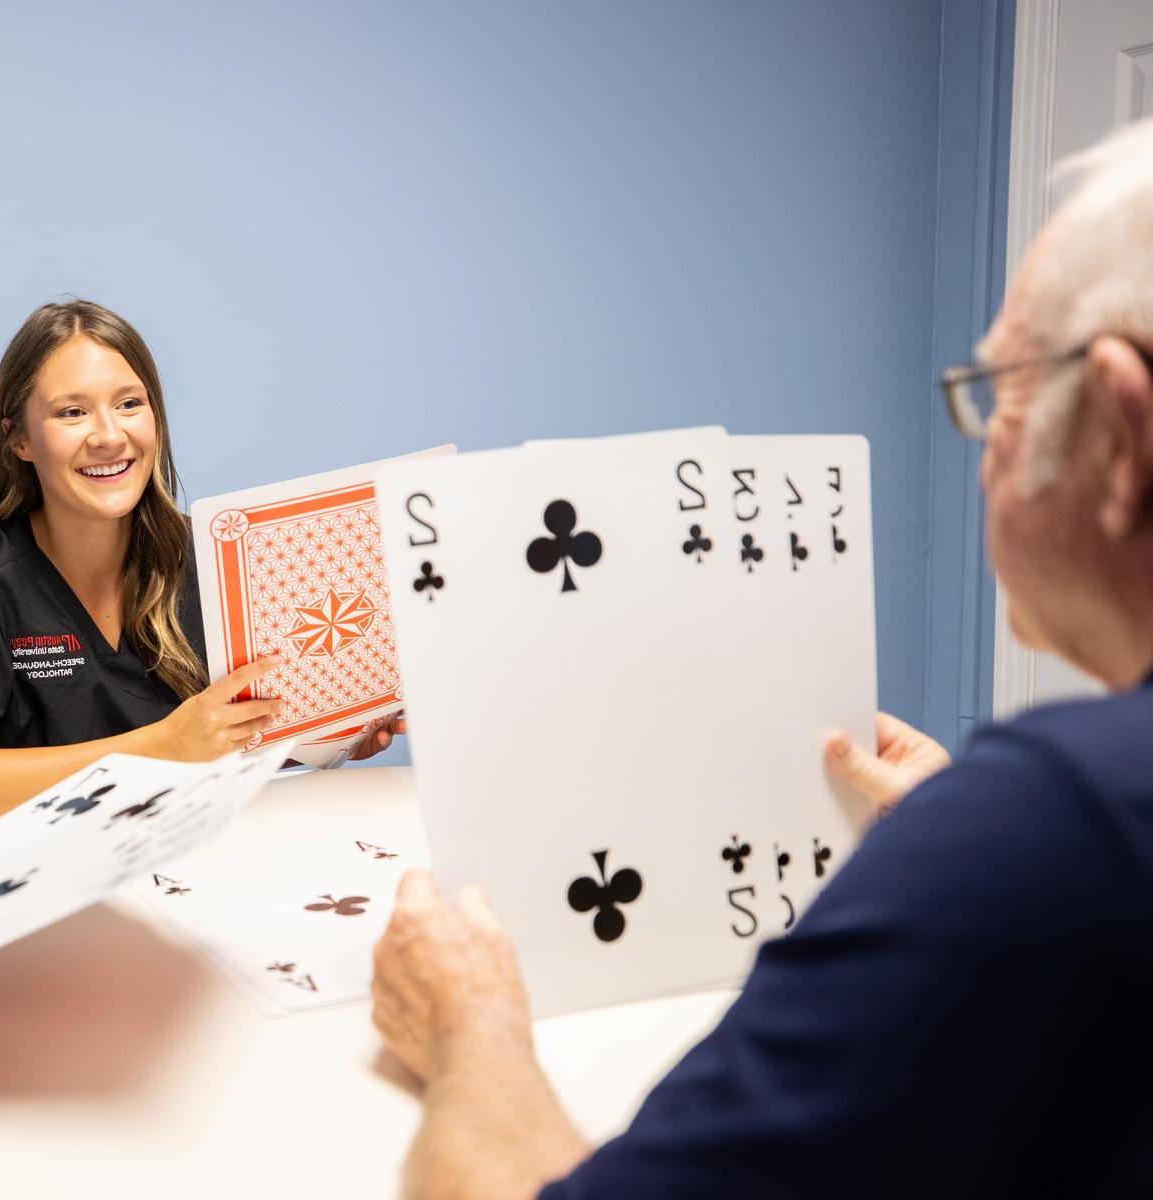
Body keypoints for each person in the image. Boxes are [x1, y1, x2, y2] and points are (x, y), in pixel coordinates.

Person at [369, 117, 1153, 1199]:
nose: (984, 446)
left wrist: (471, 1029)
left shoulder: (1059, 820)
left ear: (1124, 432)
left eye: (1003, 390)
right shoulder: (1049, 836)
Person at [0, 300, 402, 830]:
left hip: (200, 859)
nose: (109, 435)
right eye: (72, 412)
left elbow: (229, 744)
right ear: (20, 440)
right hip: (52, 883)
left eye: (130, 403)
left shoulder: (213, 558)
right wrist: (165, 747)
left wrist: (328, 738)